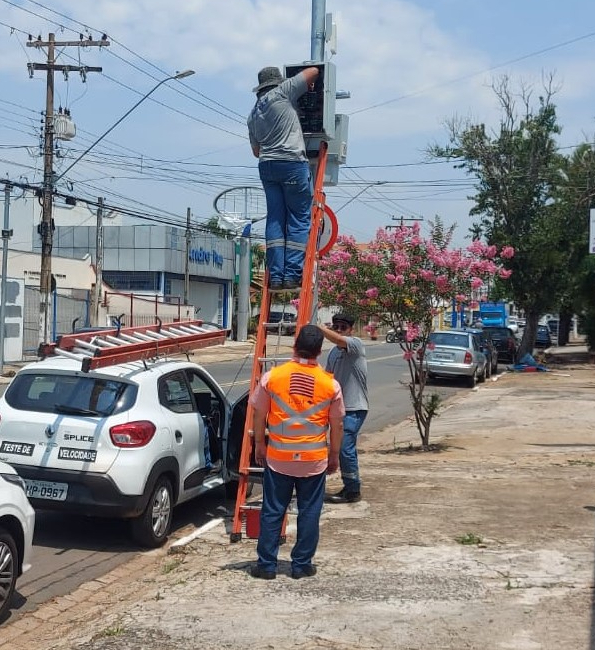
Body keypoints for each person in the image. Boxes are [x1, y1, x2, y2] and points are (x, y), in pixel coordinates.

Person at [249, 324, 344, 580]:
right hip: (313, 461)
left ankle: (266, 566)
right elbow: (337, 424)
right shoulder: (330, 385)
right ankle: (301, 565)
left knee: (272, 510)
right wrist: (334, 455)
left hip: (279, 458)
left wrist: (259, 443)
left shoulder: (273, 377)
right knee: (310, 511)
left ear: (294, 345)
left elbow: (259, 413)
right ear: (320, 351)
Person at [247, 65, 320, 292]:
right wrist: (306, 85)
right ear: (278, 82)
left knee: (276, 219)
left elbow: (256, 151)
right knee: (298, 218)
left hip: (267, 166)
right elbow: (314, 70)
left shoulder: (252, 115)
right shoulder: (282, 92)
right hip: (291, 163)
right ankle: (292, 276)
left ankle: (276, 278)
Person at [319, 313, 368, 504]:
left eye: (343, 327)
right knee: (343, 449)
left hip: (354, 407)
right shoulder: (333, 353)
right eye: (336, 326)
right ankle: (350, 485)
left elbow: (338, 339)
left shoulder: (355, 344)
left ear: (351, 330)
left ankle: (353, 490)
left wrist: (318, 328)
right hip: (338, 409)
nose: (339, 330)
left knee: (344, 449)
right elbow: (327, 378)